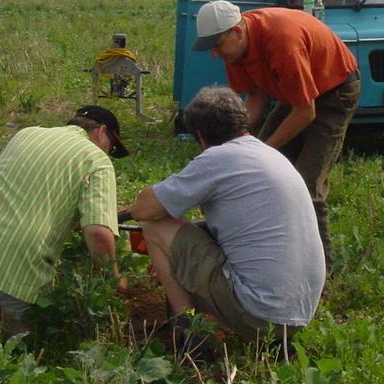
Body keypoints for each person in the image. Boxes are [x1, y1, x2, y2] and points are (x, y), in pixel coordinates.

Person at [129, 86, 325, 352]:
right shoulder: (269, 154)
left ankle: (191, 334)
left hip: (259, 314)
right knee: (190, 233)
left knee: (156, 227)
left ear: (200, 135)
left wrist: (170, 251)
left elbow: (145, 210)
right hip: (298, 314)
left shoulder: (217, 158)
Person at [191, 0, 359, 269]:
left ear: (236, 31)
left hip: (334, 92)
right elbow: (255, 97)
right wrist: (228, 147)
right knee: (258, 170)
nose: (214, 54)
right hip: (292, 94)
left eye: (217, 45)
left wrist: (261, 151)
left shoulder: (282, 41)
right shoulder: (235, 51)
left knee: (306, 184)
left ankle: (321, 274)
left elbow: (306, 111)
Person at [0, 105, 128, 332]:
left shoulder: (27, 133)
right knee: (46, 329)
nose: (108, 153)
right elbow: (98, 232)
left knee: (2, 283)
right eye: (111, 147)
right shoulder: (96, 160)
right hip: (9, 263)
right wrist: (114, 278)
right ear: (101, 132)